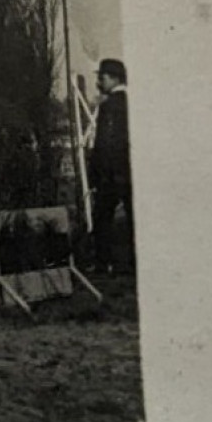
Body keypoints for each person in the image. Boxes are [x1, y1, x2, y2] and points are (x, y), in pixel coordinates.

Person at [88, 57, 134, 274]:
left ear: (115, 78)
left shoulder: (109, 106)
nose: (99, 81)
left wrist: (96, 171)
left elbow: (105, 141)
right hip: (129, 170)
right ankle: (134, 264)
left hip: (111, 173)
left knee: (102, 218)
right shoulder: (131, 101)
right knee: (133, 218)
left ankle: (103, 263)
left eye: (102, 77)